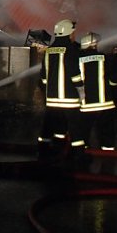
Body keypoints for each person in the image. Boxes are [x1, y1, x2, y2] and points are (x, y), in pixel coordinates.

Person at [38, 19, 84, 160]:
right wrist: (81, 90)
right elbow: (74, 74)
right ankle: (78, 155)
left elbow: (43, 77)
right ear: (69, 32)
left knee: (53, 127)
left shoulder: (49, 51)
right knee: (75, 128)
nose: (74, 35)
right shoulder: (71, 50)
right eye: (73, 32)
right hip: (69, 99)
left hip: (52, 99)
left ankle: (48, 151)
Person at [77, 32, 117, 152]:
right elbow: (114, 78)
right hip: (105, 104)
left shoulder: (77, 60)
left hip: (85, 105)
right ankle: (108, 155)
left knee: (84, 132)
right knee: (107, 132)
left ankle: (82, 155)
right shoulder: (105, 58)